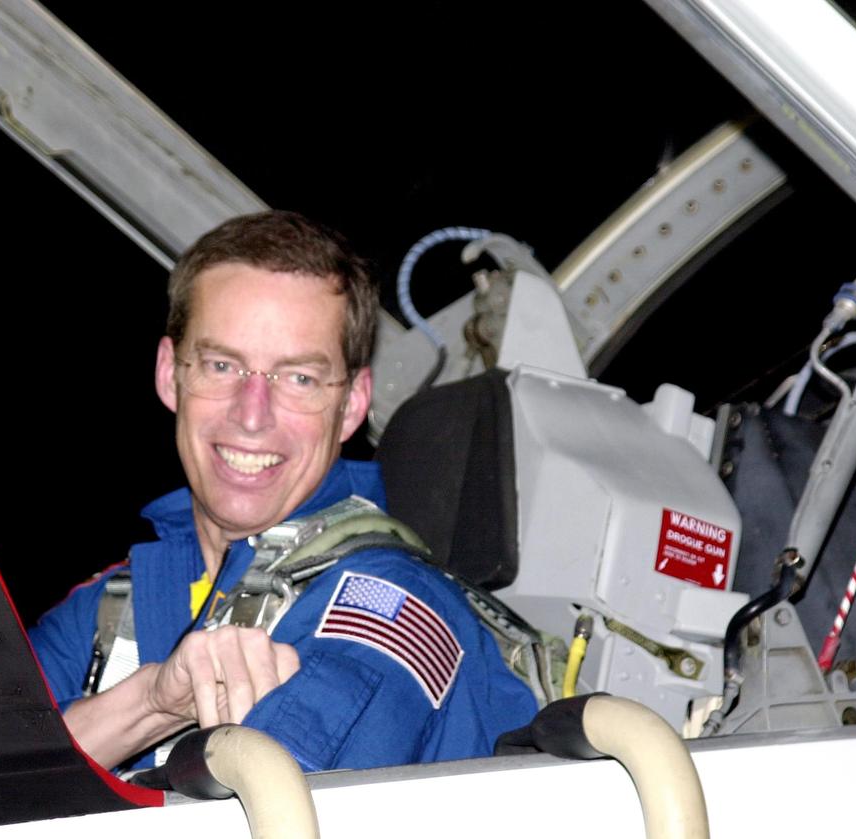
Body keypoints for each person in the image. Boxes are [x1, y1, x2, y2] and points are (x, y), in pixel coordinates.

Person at [30, 210, 535, 772]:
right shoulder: (109, 606)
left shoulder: (392, 608)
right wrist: (150, 701)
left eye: (299, 378)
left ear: (352, 404)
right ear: (171, 373)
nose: (252, 416)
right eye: (222, 365)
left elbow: (276, 795)